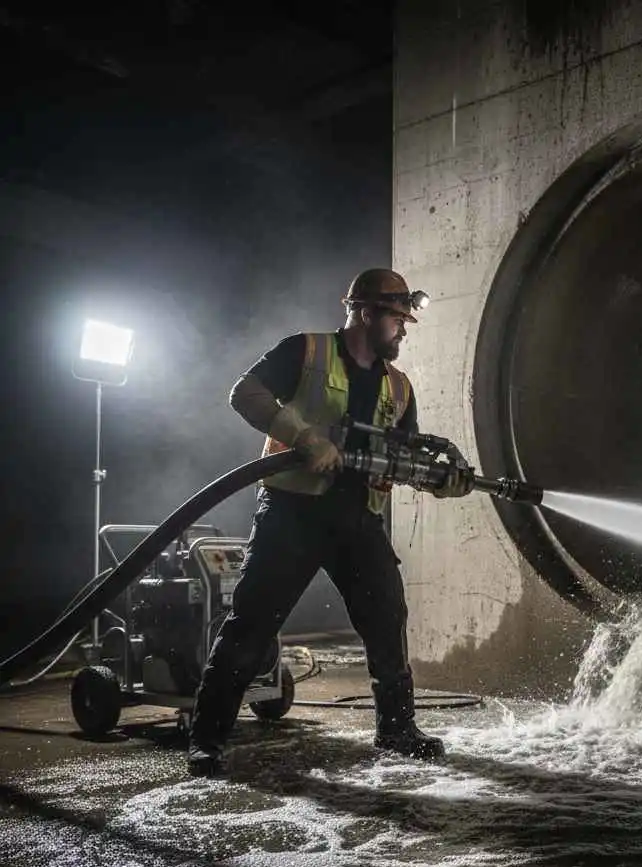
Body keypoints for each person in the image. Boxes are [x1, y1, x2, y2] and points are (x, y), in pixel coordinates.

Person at [186, 269, 471, 777]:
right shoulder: (306, 352)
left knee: (387, 618)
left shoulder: (398, 387)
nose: (404, 330)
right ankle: (206, 739)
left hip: (358, 519)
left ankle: (397, 729)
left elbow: (403, 455)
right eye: (398, 319)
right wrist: (305, 438)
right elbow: (245, 393)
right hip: (292, 513)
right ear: (366, 312)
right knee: (251, 625)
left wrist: (440, 480)